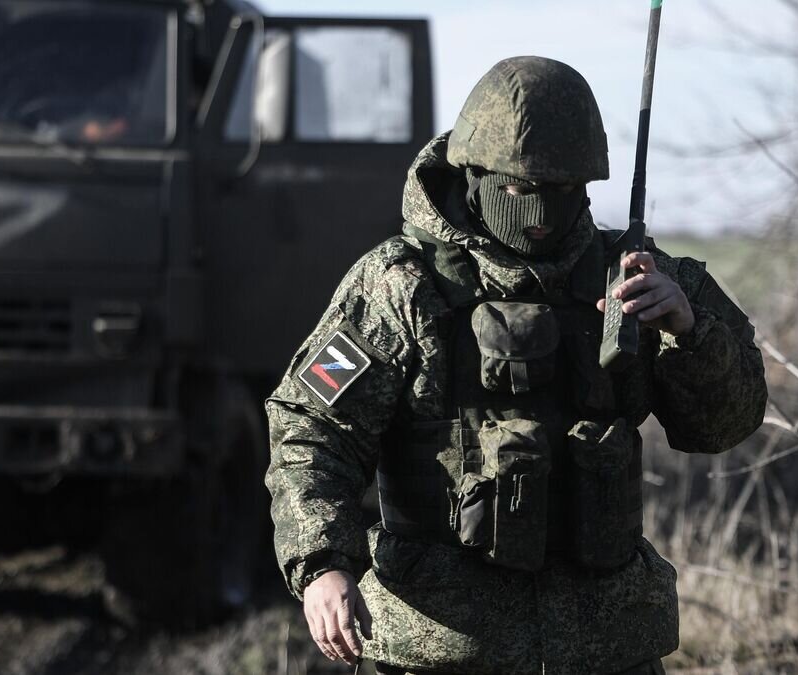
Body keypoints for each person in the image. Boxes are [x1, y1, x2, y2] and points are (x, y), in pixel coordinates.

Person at [265, 56, 767, 675]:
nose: (540, 216)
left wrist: (689, 334)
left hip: (609, 645)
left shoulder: (641, 280)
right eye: (519, 192)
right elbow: (312, 429)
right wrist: (322, 563)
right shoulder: (400, 286)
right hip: (443, 646)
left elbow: (727, 425)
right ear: (473, 175)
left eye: (561, 191)